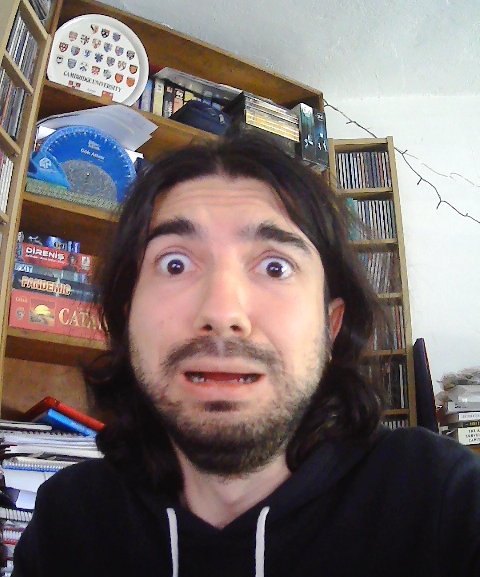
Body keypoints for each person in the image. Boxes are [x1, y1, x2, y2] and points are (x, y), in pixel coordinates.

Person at [13, 131, 480, 576]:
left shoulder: (442, 500)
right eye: (174, 264)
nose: (222, 313)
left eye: (275, 267)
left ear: (331, 326)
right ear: (127, 316)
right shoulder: (68, 524)